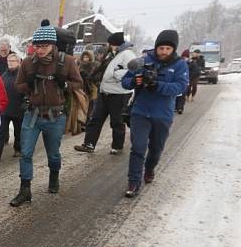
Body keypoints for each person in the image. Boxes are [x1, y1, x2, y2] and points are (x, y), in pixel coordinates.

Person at [10, 20, 83, 207]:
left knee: (53, 154)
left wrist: (64, 84)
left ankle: (54, 177)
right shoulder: (27, 63)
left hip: (55, 117)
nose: (40, 50)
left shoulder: (66, 62)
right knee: (25, 153)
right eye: (37, 46)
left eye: (44, 46)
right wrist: (29, 84)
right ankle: (25, 190)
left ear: (53, 45)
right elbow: (18, 86)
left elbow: (79, 83)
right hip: (32, 114)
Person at [121, 29, 189, 198]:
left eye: (167, 48)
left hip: (163, 114)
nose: (164, 51)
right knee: (138, 147)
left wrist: (156, 85)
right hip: (140, 112)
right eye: (161, 48)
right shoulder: (143, 60)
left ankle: (150, 168)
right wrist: (135, 82)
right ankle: (133, 182)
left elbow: (180, 87)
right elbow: (125, 81)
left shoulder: (180, 65)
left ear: (173, 49)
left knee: (156, 149)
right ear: (156, 47)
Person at [73, 32, 135, 154]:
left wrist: (117, 74)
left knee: (117, 121)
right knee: (95, 119)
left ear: (114, 43)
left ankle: (117, 146)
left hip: (119, 93)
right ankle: (89, 144)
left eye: (110, 43)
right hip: (104, 92)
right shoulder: (112, 54)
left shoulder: (127, 54)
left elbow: (133, 70)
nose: (108, 45)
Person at [0, 53, 24, 160]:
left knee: (18, 131)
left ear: (19, 62)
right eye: (9, 61)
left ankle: (18, 149)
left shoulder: (23, 75)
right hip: (5, 109)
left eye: (13, 61)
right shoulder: (4, 75)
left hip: (18, 109)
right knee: (1, 131)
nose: (10, 63)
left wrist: (25, 104)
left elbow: (28, 90)